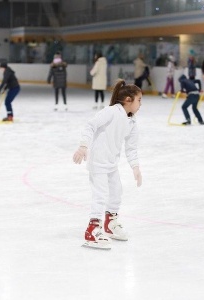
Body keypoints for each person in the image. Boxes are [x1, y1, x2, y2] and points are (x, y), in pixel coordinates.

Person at [73, 79, 143, 250]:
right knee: (100, 195)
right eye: (139, 100)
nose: (141, 104)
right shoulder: (111, 112)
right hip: (98, 162)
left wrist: (135, 167)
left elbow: (131, 148)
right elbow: (90, 126)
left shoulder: (131, 121)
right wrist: (83, 146)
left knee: (117, 192)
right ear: (128, 100)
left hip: (111, 164)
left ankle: (110, 223)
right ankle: (92, 229)